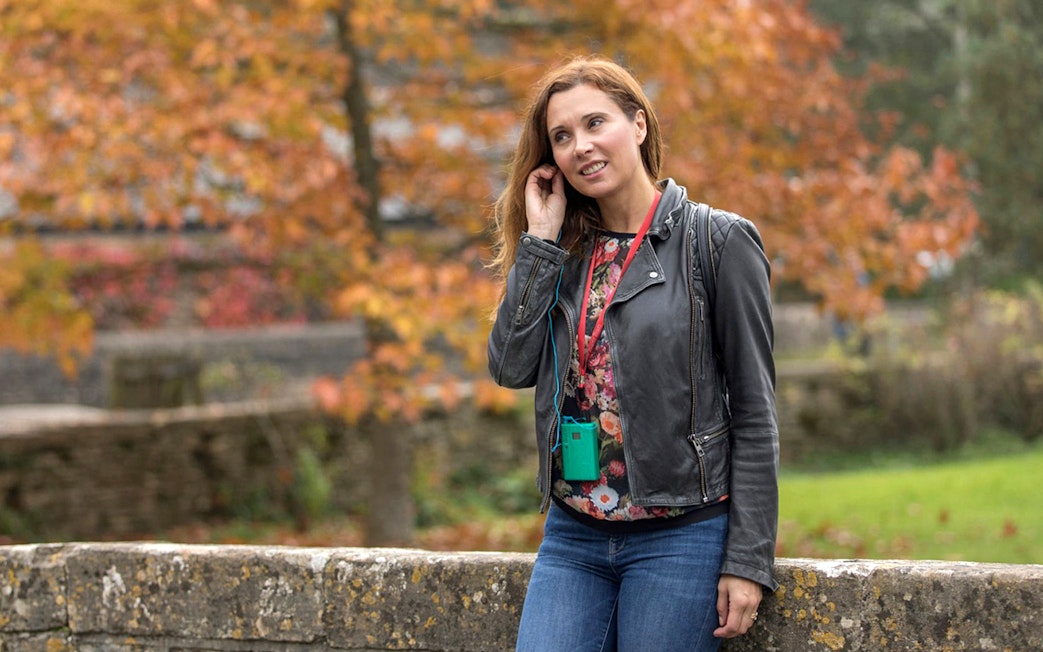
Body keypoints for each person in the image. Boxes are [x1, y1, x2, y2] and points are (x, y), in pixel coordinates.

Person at [487, 56, 779, 652]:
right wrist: (539, 243)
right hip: (573, 534)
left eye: (596, 123)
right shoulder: (563, 253)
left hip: (681, 536)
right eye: (562, 136)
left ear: (639, 125)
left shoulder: (716, 242)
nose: (580, 147)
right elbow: (510, 366)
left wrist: (748, 560)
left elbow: (755, 410)